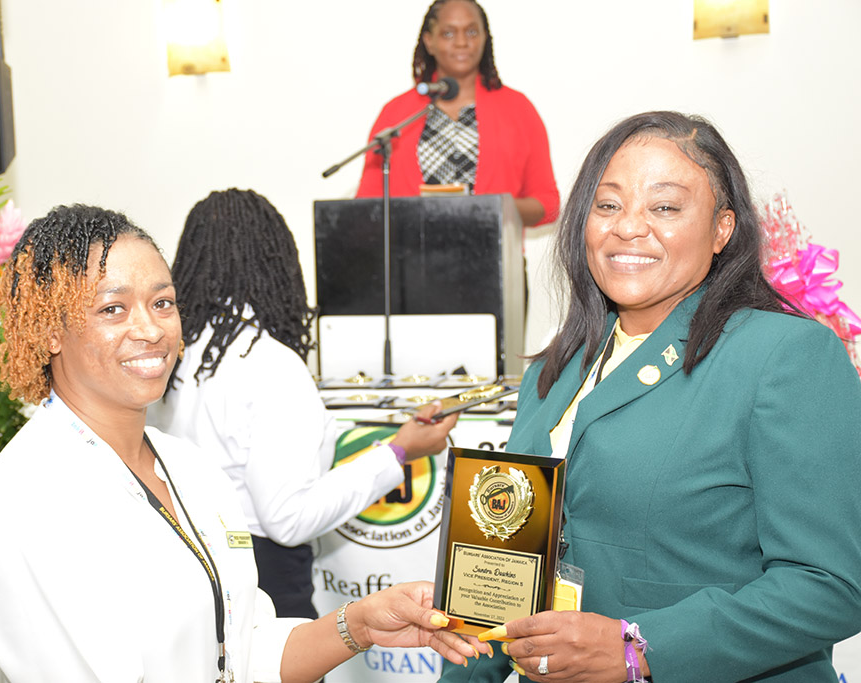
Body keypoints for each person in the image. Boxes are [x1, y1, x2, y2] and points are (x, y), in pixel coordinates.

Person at [0, 204, 485, 682]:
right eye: (112, 308)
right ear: (48, 330)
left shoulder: (188, 468)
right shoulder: (28, 502)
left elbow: (244, 650)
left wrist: (360, 624)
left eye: (162, 302)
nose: (150, 329)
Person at [439, 112, 861, 682]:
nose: (628, 227)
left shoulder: (785, 355)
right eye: (608, 204)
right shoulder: (554, 368)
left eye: (664, 207)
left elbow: (831, 584)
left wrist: (639, 649)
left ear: (722, 229)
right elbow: (503, 571)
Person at [150, 188, 458, 620]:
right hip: (263, 587)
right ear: (276, 262)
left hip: (187, 573)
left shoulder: (170, 356)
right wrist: (399, 451)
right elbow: (288, 519)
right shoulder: (270, 363)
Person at [356, 0, 559, 228]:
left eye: (471, 32)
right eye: (448, 33)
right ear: (429, 42)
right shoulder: (396, 113)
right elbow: (366, 203)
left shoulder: (518, 109)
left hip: (492, 249)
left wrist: (494, 207)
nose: (462, 42)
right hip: (409, 250)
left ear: (484, 37)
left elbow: (548, 204)